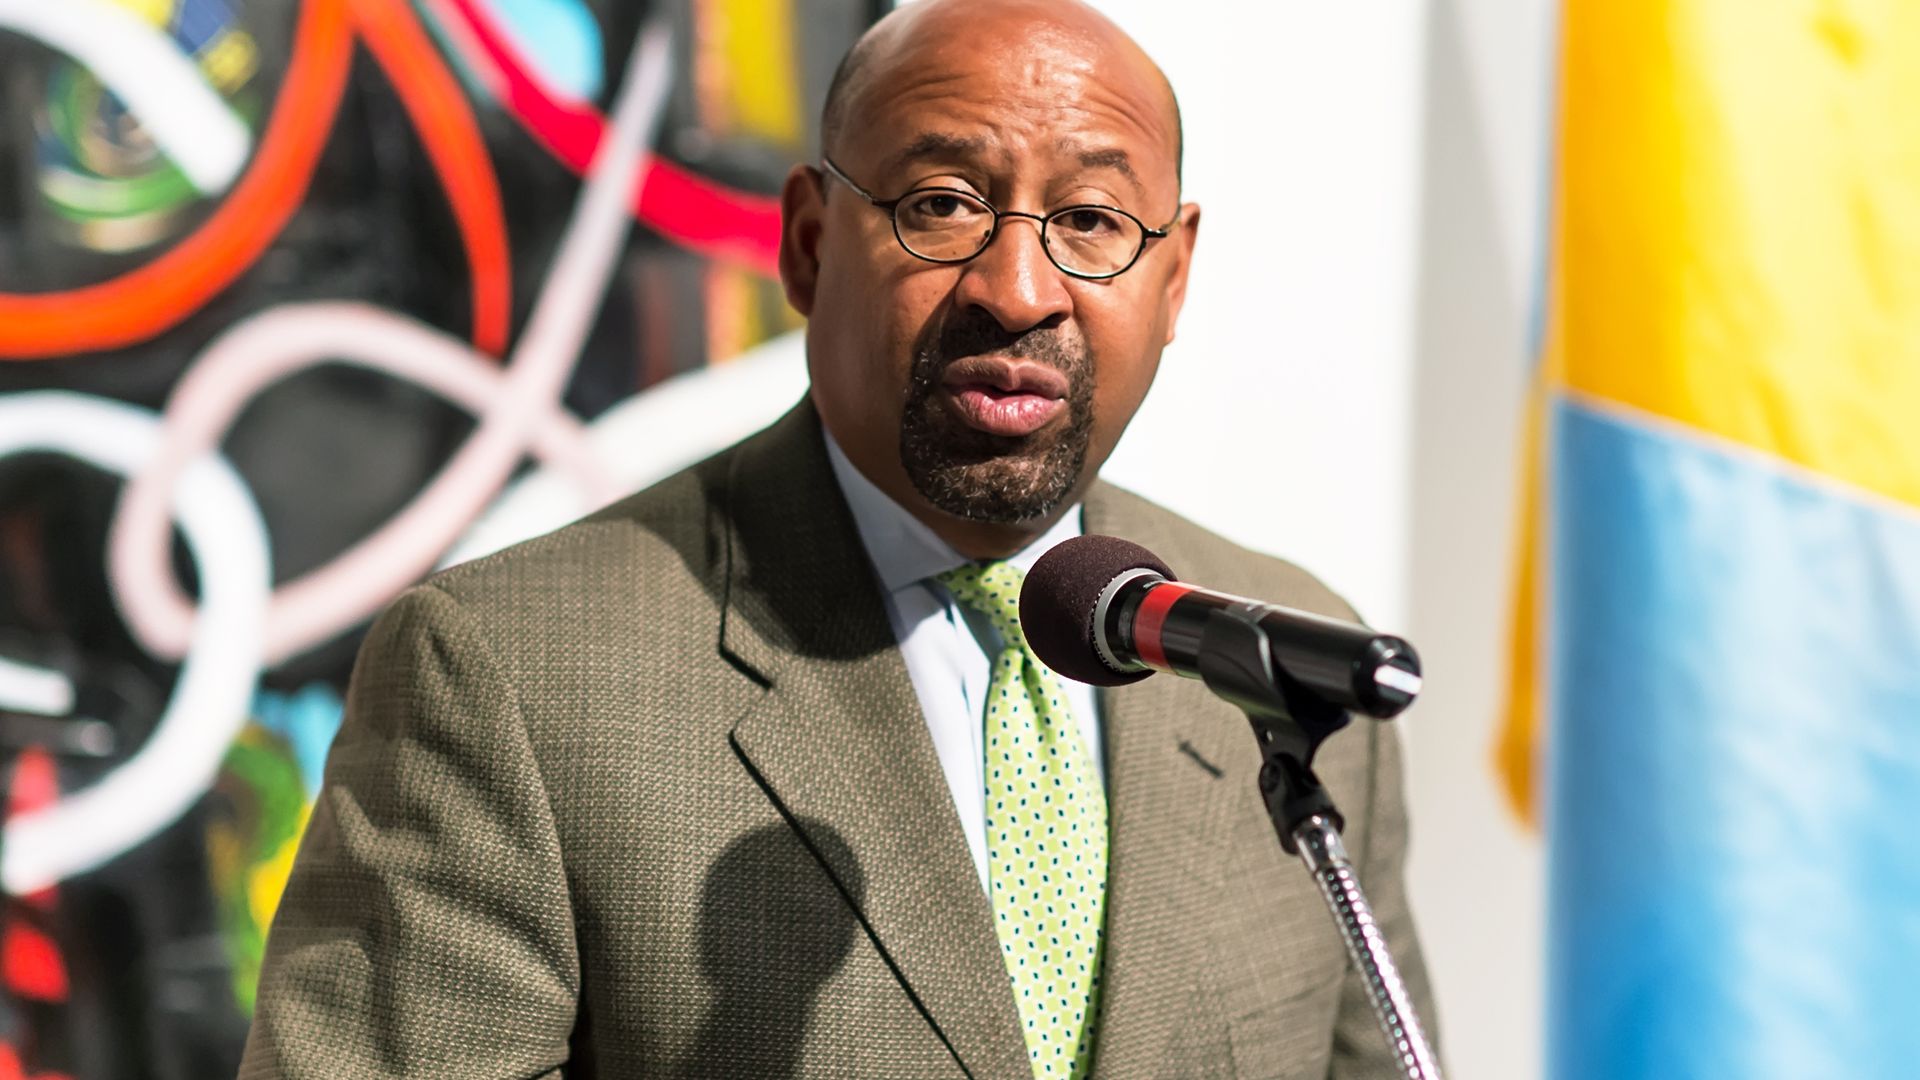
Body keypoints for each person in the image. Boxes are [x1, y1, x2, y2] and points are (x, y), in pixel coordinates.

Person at [239, 0, 1434, 1076]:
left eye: (1090, 219)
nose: (1018, 288)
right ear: (808, 242)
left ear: (1172, 281)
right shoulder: (508, 676)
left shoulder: (1272, 672)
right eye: (944, 205)